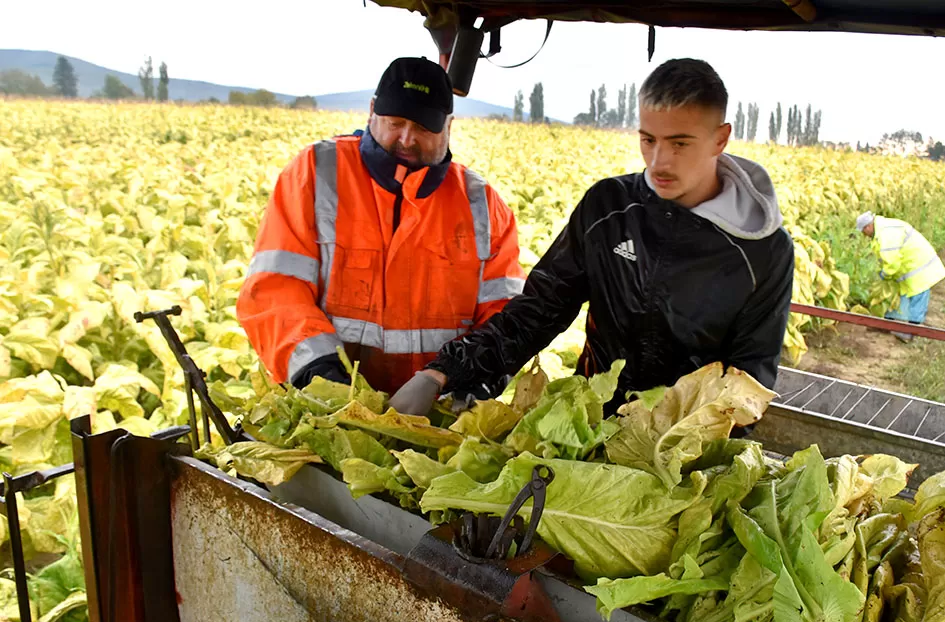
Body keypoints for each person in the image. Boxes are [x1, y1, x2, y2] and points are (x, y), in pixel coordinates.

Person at [389, 58, 794, 417]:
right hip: (588, 426)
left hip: (683, 452)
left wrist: (678, 441)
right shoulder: (608, 208)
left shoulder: (764, 252)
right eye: (648, 140)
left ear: (720, 139)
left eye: (679, 144)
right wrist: (445, 370)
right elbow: (538, 310)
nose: (659, 162)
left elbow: (748, 381)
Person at [237, 57, 525, 395]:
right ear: (372, 110)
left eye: (423, 128)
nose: (406, 139)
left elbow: (505, 316)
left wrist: (460, 382)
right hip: (324, 404)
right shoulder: (315, 172)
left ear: (449, 127)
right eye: (395, 122)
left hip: (441, 411)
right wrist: (321, 379)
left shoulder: (483, 204)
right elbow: (275, 289)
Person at [856, 211, 945, 342]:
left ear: (868, 226)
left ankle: (912, 331)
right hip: (909, 265)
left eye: (863, 231)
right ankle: (887, 323)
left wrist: (885, 274)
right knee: (898, 296)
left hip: (919, 265)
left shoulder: (886, 233)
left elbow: (892, 262)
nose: (864, 235)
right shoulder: (882, 229)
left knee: (918, 296)